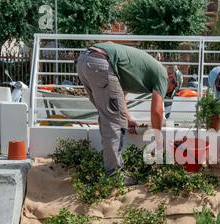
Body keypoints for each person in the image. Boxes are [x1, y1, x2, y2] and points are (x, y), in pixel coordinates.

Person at [76, 42, 181, 185]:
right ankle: (114, 174)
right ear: (172, 79)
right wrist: (158, 139)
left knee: (109, 117)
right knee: (115, 122)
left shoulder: (140, 71)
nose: (166, 92)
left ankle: (110, 166)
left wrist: (129, 119)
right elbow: (157, 111)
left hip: (85, 61)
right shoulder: (163, 75)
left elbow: (120, 96)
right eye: (169, 91)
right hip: (101, 64)